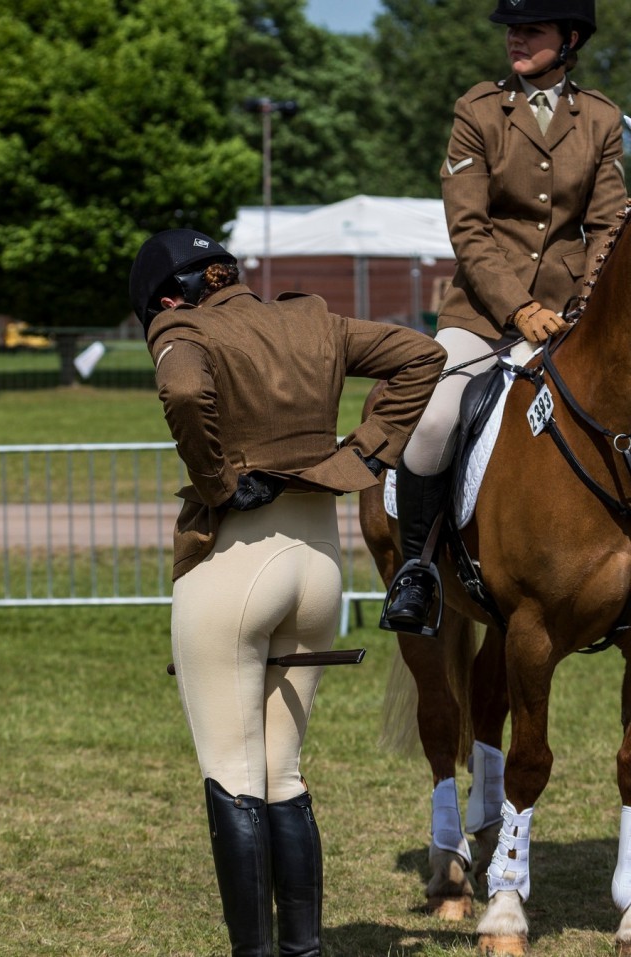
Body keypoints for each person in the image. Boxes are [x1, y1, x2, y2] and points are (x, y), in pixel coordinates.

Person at [128, 227, 447, 957]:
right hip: (317, 567)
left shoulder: (184, 324)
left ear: (170, 296)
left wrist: (216, 482)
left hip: (236, 565)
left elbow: (180, 386)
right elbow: (421, 354)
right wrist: (361, 453)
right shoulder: (311, 320)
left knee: (234, 772)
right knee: (284, 771)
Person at [383, 0, 628, 635]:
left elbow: (607, 225)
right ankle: (416, 571)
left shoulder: (600, 118)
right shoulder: (480, 110)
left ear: (570, 39)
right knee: (436, 420)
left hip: (572, 317)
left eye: (533, 29)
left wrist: (580, 306)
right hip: (483, 316)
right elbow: (468, 227)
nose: (516, 39)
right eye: (513, 29)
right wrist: (519, 306)